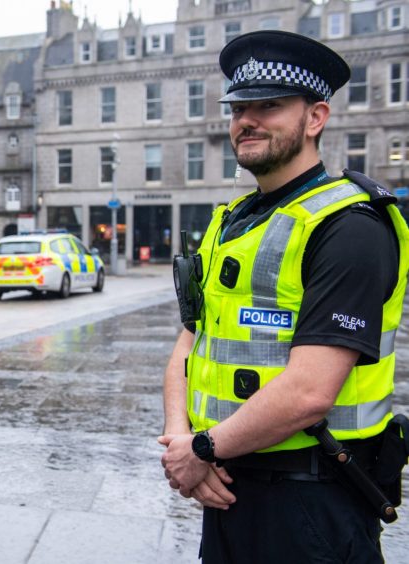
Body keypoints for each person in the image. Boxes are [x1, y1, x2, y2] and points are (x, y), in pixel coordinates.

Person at [158, 30, 409, 562]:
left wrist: (201, 449)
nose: (246, 120)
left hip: (312, 505)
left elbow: (309, 391)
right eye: (238, 107)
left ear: (315, 118)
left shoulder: (350, 225)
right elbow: (189, 342)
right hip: (228, 489)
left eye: (269, 106)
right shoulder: (232, 222)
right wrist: (180, 441)